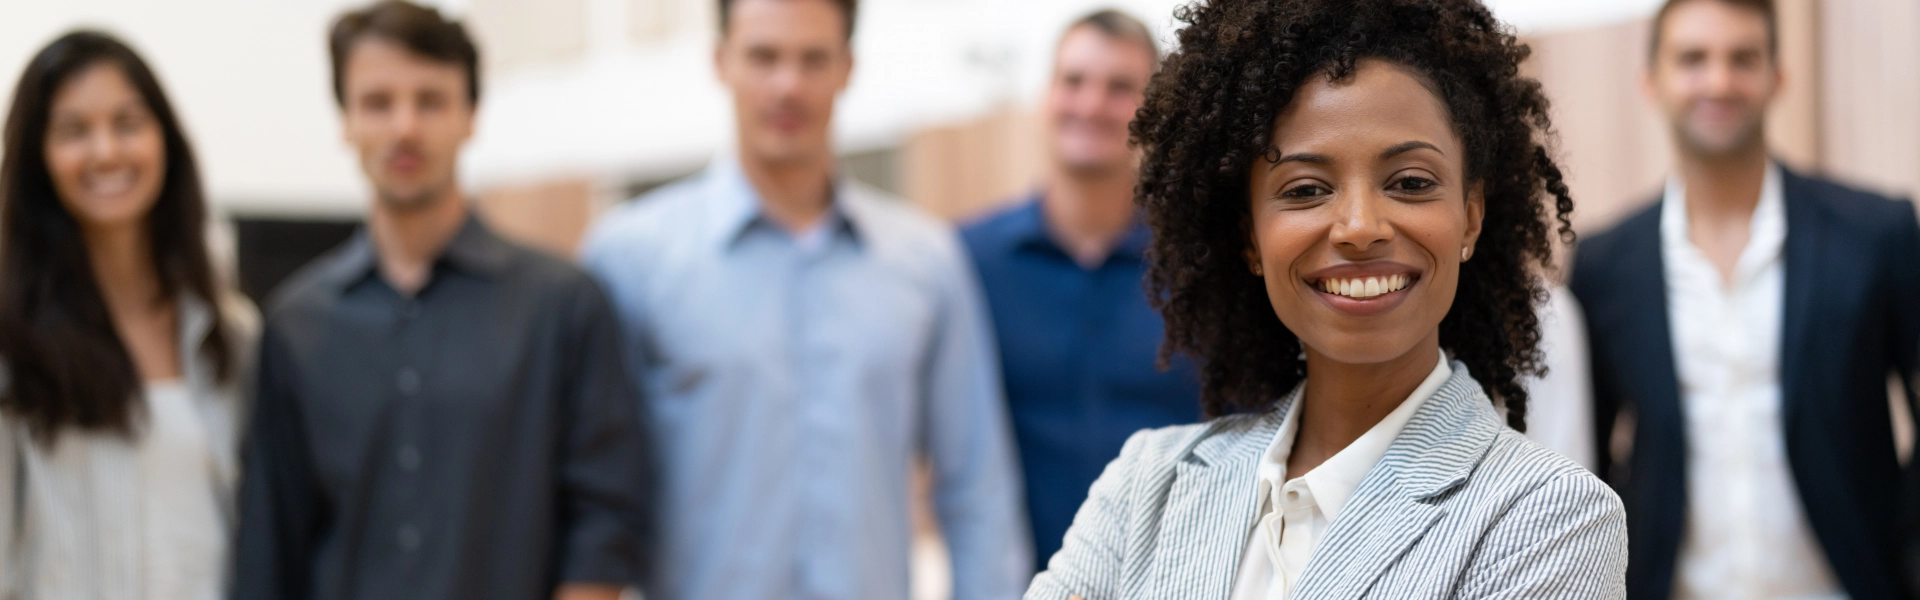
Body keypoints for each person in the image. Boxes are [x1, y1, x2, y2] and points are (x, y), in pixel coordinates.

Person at [1026, 0, 1628, 597]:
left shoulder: (1552, 518)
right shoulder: (1146, 485)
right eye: (1306, 189)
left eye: (1411, 183)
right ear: (1250, 239)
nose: (1360, 226)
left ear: (1470, 220)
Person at [577, 0, 1030, 596]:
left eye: (813, 59)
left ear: (847, 67)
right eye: (763, 56)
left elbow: (977, 490)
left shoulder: (925, 261)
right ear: (720, 62)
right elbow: (594, 497)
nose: (787, 85)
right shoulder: (629, 260)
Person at [231, 3, 650, 599]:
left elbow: (605, 521)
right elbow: (270, 549)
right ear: (345, 121)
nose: (404, 127)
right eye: (377, 102)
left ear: (470, 115)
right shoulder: (297, 326)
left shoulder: (563, 307)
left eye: (430, 100)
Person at [1569, 0, 1920, 597]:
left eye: (1743, 58)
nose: (1719, 81)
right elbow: (1585, 458)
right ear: (1650, 81)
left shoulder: (1876, 234)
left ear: (1777, 75)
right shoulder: (1605, 265)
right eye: (1693, 59)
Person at [0, 30, 257, 600]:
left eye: (127, 123)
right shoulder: (10, 341)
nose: (106, 151)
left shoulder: (232, 337)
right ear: (38, 159)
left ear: (165, 139)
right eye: (73, 131)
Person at [958, 9, 1200, 572]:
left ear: (1152, 111)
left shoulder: (1198, 265)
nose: (1091, 105)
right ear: (1047, 95)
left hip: (1176, 577)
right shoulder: (970, 260)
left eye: (1119, 88)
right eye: (1074, 81)